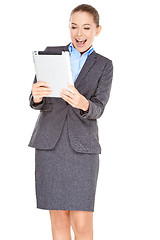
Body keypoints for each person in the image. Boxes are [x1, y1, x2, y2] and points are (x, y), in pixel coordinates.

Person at [28, 4, 113, 240]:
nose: (79, 33)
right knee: (58, 216)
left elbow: (99, 107)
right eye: (74, 26)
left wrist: (82, 102)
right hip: (50, 144)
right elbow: (38, 99)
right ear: (68, 27)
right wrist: (35, 96)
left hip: (82, 147)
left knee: (82, 220)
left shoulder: (104, 65)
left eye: (86, 27)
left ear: (98, 30)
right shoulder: (50, 54)